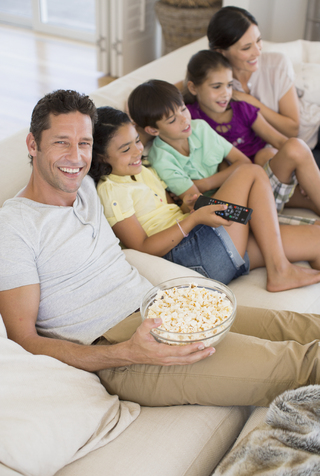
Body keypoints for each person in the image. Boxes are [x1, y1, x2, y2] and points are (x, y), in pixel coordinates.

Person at [1, 89, 320, 410]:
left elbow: (141, 142)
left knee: (293, 324)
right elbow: (23, 338)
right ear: (32, 144)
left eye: (83, 143)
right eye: (61, 142)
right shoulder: (15, 225)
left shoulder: (86, 185)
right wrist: (123, 353)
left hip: (164, 306)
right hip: (121, 346)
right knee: (299, 363)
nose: (75, 156)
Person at [107, 88, 320, 292]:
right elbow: (142, 249)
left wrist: (187, 207)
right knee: (251, 172)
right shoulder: (111, 189)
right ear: (101, 157)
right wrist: (192, 219)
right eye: (126, 149)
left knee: (316, 239)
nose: (137, 150)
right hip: (194, 254)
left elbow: (175, 209)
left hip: (205, 241)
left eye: (137, 141)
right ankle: (279, 270)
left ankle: (272, 248)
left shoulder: (143, 169)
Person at [185, 49, 320, 218]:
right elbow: (162, 102)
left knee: (273, 152)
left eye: (229, 85)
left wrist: (302, 175)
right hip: (236, 186)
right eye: (216, 86)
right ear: (192, 87)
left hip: (271, 176)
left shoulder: (242, 109)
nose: (225, 93)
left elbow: (280, 141)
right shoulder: (188, 117)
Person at [207, 5, 320, 168]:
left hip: (313, 130)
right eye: (246, 47)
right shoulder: (217, 84)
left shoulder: (277, 64)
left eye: (258, 40)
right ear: (221, 52)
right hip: (286, 153)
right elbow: (185, 86)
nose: (258, 52)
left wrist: (250, 100)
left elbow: (292, 129)